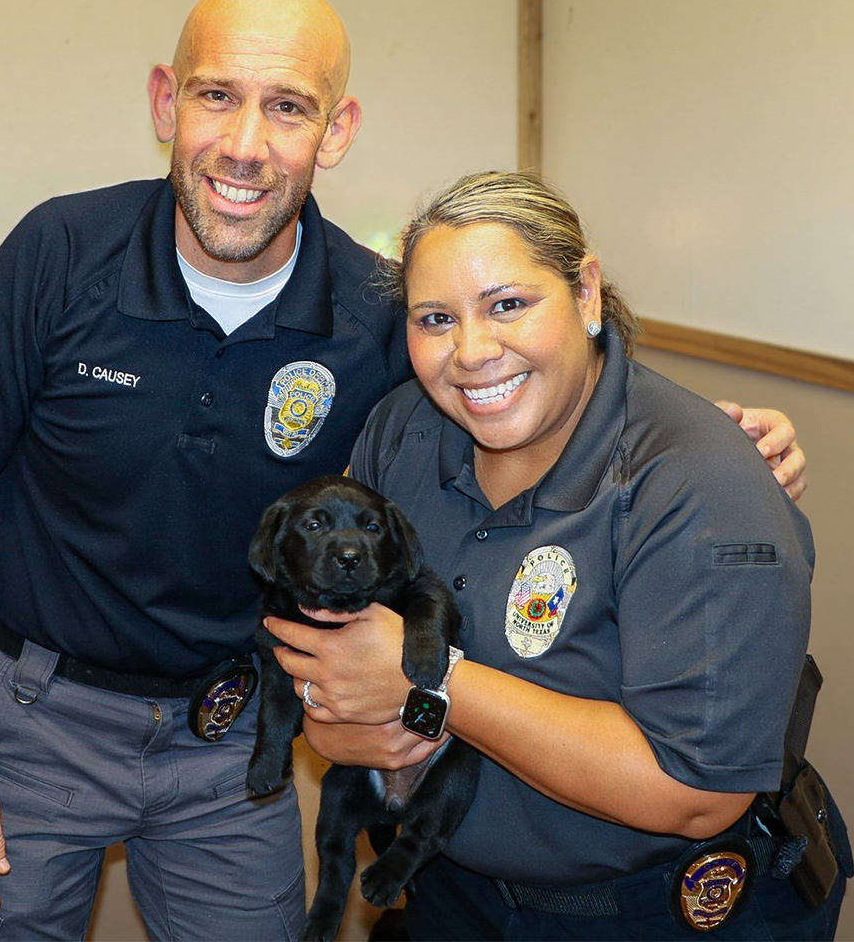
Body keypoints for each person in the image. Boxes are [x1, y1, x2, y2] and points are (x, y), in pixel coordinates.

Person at [0, 0, 807, 941]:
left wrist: (711, 438)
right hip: (34, 718)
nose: (245, 145)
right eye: (215, 96)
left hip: (238, 733)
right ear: (165, 103)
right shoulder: (59, 252)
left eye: (287, 107)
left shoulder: (382, 315)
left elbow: (515, 385)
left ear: (336, 131)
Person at [265, 171, 851, 940]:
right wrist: (345, 710)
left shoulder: (698, 484)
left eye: (509, 304)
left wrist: (431, 682)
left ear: (586, 294)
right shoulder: (400, 432)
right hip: (448, 893)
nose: (472, 352)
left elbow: (696, 792)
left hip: (651, 912)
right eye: (434, 318)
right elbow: (333, 686)